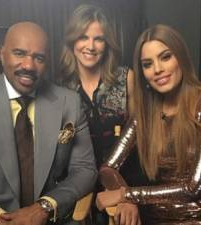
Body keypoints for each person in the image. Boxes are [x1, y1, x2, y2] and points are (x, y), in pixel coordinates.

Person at [0, 22, 97, 225]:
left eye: (39, 58)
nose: (29, 66)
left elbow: (85, 169)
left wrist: (44, 207)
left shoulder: (69, 102)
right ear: (2, 54)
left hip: (49, 219)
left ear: (47, 61)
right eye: (19, 53)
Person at [96, 24, 201, 225]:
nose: (158, 69)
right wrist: (127, 199)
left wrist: (126, 194)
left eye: (165, 57)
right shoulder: (145, 114)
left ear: (181, 58)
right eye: (147, 64)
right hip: (156, 219)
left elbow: (194, 188)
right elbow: (108, 168)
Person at [57, 4, 137, 225]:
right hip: (78, 187)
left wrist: (128, 194)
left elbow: (141, 141)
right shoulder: (60, 87)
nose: (90, 46)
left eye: (98, 39)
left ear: (107, 44)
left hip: (123, 183)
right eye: (83, 37)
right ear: (72, 41)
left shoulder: (126, 78)